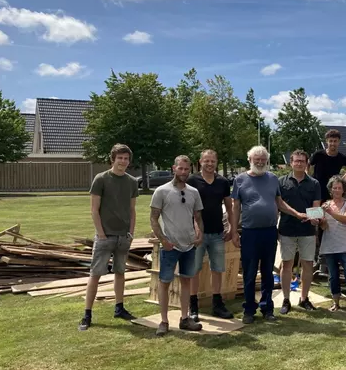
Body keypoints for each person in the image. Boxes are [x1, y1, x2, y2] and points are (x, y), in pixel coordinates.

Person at [231, 145, 309, 324]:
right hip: (250, 232)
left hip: (269, 231)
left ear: (266, 161)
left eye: (263, 159)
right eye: (256, 159)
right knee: (250, 272)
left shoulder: (273, 179)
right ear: (249, 160)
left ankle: (267, 308)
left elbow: (280, 203)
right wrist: (234, 230)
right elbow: (235, 207)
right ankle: (249, 309)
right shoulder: (240, 180)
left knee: (267, 271)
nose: (259, 162)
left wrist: (297, 214)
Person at [79, 144, 139, 331]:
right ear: (113, 159)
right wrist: (101, 233)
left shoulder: (131, 182)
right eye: (120, 158)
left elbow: (132, 210)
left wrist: (130, 232)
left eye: (126, 158)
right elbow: (94, 210)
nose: (123, 161)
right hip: (105, 236)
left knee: (120, 273)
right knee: (95, 274)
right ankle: (87, 314)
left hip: (123, 236)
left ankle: (119, 308)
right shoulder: (101, 179)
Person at [149, 155, 205, 336]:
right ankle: (164, 321)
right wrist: (163, 240)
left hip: (189, 245)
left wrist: (200, 234)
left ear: (190, 170)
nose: (183, 172)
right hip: (170, 246)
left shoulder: (193, 192)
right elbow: (153, 218)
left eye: (186, 169)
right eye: (180, 169)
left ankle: (184, 318)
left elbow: (198, 217)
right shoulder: (162, 191)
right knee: (164, 282)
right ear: (174, 168)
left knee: (186, 281)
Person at [186, 149, 235, 320]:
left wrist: (231, 227)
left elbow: (229, 207)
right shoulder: (192, 180)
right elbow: (187, 208)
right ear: (200, 162)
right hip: (197, 234)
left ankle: (217, 304)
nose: (209, 164)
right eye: (206, 161)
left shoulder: (222, 182)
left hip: (217, 233)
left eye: (212, 161)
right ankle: (193, 306)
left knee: (218, 269)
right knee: (194, 269)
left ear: (216, 162)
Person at [278, 150, 322, 314]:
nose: (299, 164)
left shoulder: (314, 183)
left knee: (307, 264)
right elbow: (279, 204)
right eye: (296, 161)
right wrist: (297, 214)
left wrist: (314, 217)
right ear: (291, 163)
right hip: (287, 229)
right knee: (287, 264)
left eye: (302, 161)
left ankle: (304, 299)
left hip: (307, 230)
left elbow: (316, 205)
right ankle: (286, 299)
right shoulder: (281, 182)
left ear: (306, 163)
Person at [319, 176, 346, 312]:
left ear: (343, 190)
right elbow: (324, 227)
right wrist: (319, 220)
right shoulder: (326, 204)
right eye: (334, 187)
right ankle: (336, 303)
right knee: (333, 276)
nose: (336, 190)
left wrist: (330, 212)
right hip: (330, 245)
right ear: (330, 189)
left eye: (339, 188)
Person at [310, 129, 346, 202]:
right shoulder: (318, 154)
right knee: (314, 211)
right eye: (330, 141)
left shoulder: (342, 158)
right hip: (316, 188)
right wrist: (307, 176)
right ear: (327, 141)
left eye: (335, 141)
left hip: (331, 191)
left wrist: (345, 177)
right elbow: (308, 163)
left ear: (339, 142)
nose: (333, 143)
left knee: (329, 211)